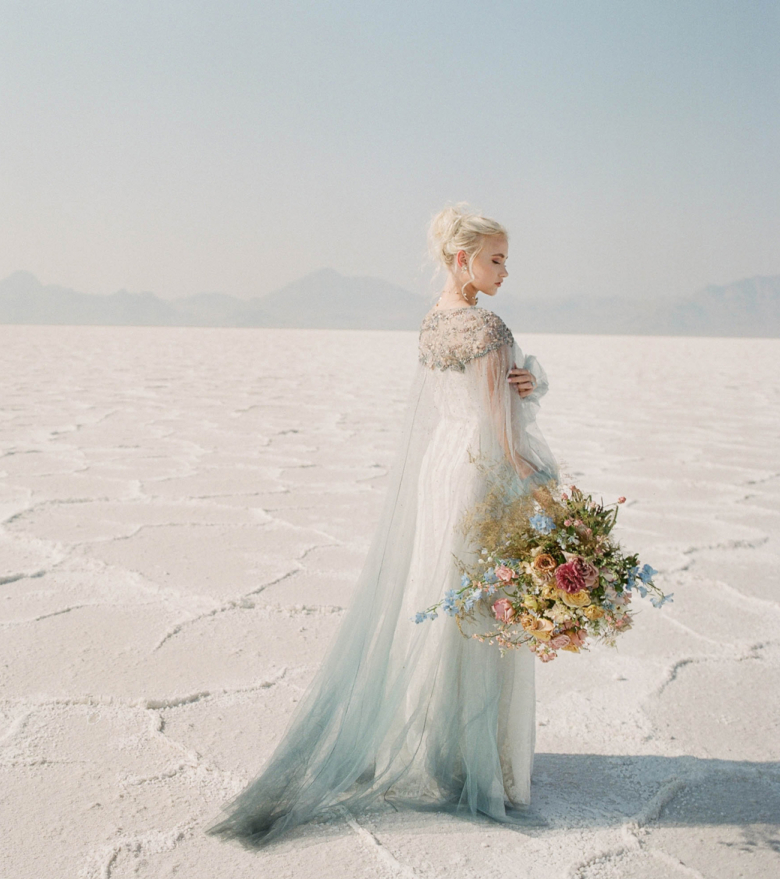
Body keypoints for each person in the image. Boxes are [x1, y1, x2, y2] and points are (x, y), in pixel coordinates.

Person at [207, 204, 558, 846]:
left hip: (443, 468)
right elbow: (500, 424)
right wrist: (538, 480)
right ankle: (484, 763)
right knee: (486, 608)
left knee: (445, 600)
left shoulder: (433, 322)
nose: (506, 272)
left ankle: (445, 751)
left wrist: (524, 386)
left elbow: (473, 402)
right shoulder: (487, 326)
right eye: (496, 259)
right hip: (483, 470)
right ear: (462, 259)